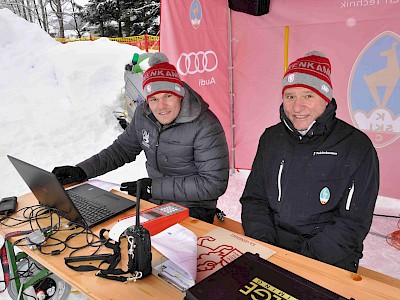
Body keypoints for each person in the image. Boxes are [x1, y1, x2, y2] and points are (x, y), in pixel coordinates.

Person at [240, 51, 379, 272]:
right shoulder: (271, 138)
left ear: (326, 99)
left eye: (308, 96)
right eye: (290, 96)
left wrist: (301, 261)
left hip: (328, 259)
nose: (297, 107)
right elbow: (254, 199)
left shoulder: (356, 146)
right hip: (272, 248)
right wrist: (265, 246)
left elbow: (353, 223)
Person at [52, 52, 229, 224]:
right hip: (154, 201)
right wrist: (82, 171)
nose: (162, 106)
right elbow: (121, 150)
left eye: (168, 96)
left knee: (156, 249)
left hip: (193, 208)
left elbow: (213, 184)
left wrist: (153, 187)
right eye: (154, 99)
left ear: (180, 94)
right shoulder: (144, 115)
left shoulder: (205, 126)